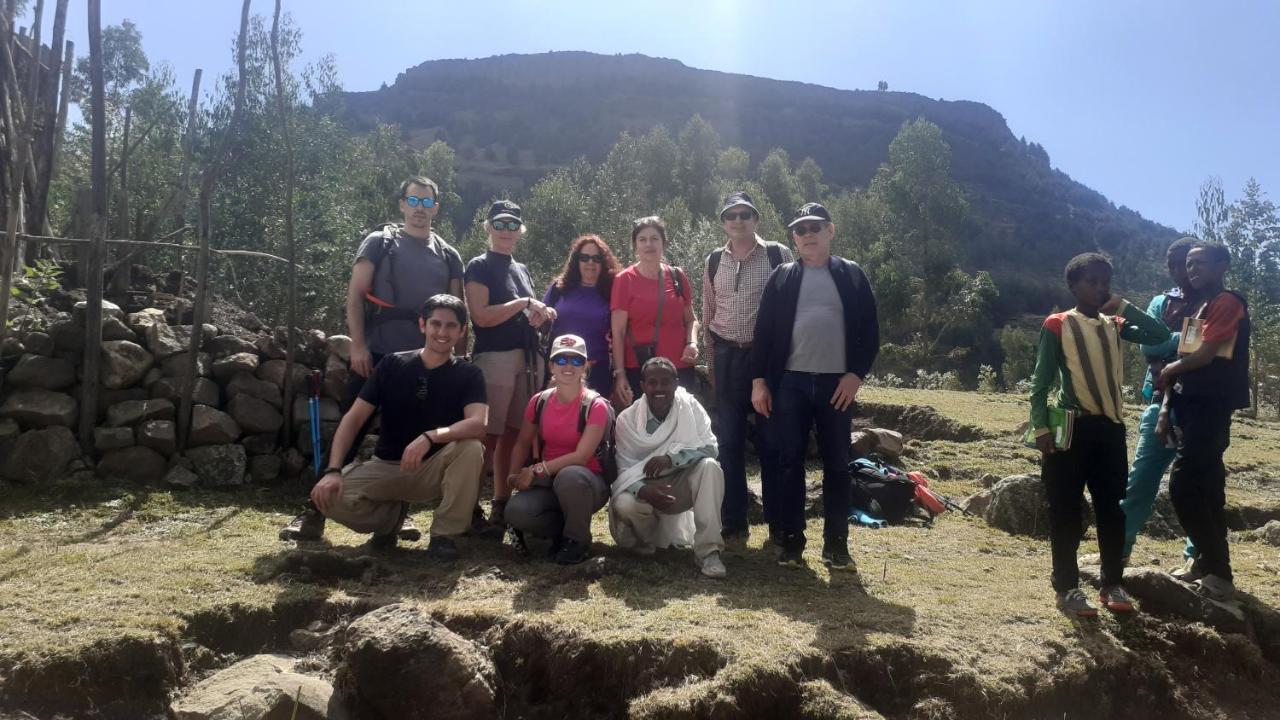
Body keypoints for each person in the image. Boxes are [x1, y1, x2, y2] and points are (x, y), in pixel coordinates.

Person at [281, 176, 463, 542]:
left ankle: (400, 513)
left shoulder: (448, 254)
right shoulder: (380, 242)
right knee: (353, 426)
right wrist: (359, 346)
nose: (419, 210)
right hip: (378, 352)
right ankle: (312, 513)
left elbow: (460, 312)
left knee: (409, 438)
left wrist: (454, 360)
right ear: (401, 204)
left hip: (424, 361)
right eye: (413, 201)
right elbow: (355, 296)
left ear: (436, 209)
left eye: (427, 203)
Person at [1029, 253, 1170, 617]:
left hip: (1110, 430)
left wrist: (1123, 305)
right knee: (1065, 509)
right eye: (1091, 281)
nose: (1099, 287)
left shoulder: (1116, 324)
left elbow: (1160, 334)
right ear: (1073, 286)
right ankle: (1067, 586)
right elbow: (1041, 382)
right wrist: (1041, 427)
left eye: (1105, 281)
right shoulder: (1058, 324)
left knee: (1112, 510)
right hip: (1070, 428)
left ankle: (1112, 582)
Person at [750, 203, 879, 570]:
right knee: (789, 462)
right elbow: (763, 333)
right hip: (789, 383)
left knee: (838, 464)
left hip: (835, 386)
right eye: (801, 229)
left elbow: (870, 332)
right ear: (794, 237)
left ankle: (836, 546)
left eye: (815, 227)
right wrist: (760, 381)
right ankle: (792, 542)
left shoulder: (851, 275)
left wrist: (855, 375)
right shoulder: (782, 277)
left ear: (830, 231)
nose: (808, 234)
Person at [308, 294, 486, 559]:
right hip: (387, 466)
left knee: (471, 448)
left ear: (462, 331)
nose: (442, 331)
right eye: (435, 323)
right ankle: (390, 522)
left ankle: (444, 536)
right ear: (422, 325)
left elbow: (478, 423)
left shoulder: (469, 374)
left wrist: (430, 437)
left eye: (451, 326)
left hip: (435, 467)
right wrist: (333, 470)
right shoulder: (392, 364)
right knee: (328, 498)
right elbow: (353, 419)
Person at [1155, 241, 1251, 602]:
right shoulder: (1198, 307)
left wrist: (1168, 370)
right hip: (1191, 406)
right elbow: (1189, 354)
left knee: (1183, 486)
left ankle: (1218, 570)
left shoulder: (1228, 302)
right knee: (1209, 490)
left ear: (1222, 266)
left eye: (1201, 264)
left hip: (1211, 407)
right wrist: (1167, 408)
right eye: (1189, 265)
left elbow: (1207, 353)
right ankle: (1209, 566)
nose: (1193, 270)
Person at [702, 191, 793, 544]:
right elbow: (709, 313)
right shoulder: (712, 260)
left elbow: (788, 313)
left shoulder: (776, 254)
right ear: (723, 221)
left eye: (745, 214)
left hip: (766, 359)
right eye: (731, 215)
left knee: (772, 440)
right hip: (726, 356)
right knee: (728, 441)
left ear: (756, 218)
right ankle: (734, 519)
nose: (738, 220)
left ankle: (776, 520)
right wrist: (711, 367)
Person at [465, 200, 556, 532]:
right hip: (495, 357)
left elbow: (523, 315)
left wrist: (541, 316)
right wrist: (524, 303)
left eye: (512, 225)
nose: (506, 231)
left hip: (529, 359)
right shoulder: (478, 265)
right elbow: (482, 316)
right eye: (499, 224)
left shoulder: (522, 269)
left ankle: (500, 503)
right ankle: (468, 506)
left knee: (514, 435)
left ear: (520, 230)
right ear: (488, 228)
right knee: (487, 435)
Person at [1118, 237, 1200, 566]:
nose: (1181, 271)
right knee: (1139, 481)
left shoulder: (1211, 302)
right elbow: (1146, 346)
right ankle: (1118, 550)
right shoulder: (1160, 302)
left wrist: (1167, 339)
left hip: (1199, 407)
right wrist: (1178, 339)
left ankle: (1197, 557)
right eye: (1174, 264)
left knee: (1198, 485)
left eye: (1187, 263)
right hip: (1158, 402)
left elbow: (1192, 348)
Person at [610, 357, 727, 578]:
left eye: (665, 382)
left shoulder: (690, 407)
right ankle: (650, 543)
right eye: (652, 383)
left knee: (710, 467)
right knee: (624, 504)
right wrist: (644, 490)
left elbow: (711, 448)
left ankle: (708, 552)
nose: (659, 388)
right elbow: (623, 467)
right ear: (643, 386)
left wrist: (672, 459)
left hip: (682, 485)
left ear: (676, 382)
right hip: (647, 488)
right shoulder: (627, 419)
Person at [504, 335, 612, 565]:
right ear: (551, 365)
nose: (569, 366)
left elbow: (581, 457)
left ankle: (577, 541)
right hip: (548, 481)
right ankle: (561, 532)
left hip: (586, 483)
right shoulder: (539, 401)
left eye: (576, 361)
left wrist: (536, 470)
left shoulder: (596, 405)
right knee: (516, 511)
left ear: (586, 365)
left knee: (569, 475)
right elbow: (523, 442)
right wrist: (513, 476)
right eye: (561, 360)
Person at [610, 216, 699, 406]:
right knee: (644, 429)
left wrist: (692, 342)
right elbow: (618, 332)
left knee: (682, 426)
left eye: (654, 238)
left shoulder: (677, 276)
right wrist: (620, 375)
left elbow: (691, 320)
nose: (648, 244)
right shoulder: (624, 280)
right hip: (642, 371)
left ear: (663, 243)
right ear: (635, 245)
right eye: (642, 239)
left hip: (679, 368)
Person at [544, 234, 622, 392]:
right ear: (576, 261)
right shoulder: (559, 288)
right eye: (584, 257)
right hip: (560, 367)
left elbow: (621, 331)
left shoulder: (613, 291)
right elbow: (542, 319)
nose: (590, 262)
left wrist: (619, 373)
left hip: (597, 370)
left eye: (596, 258)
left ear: (604, 261)